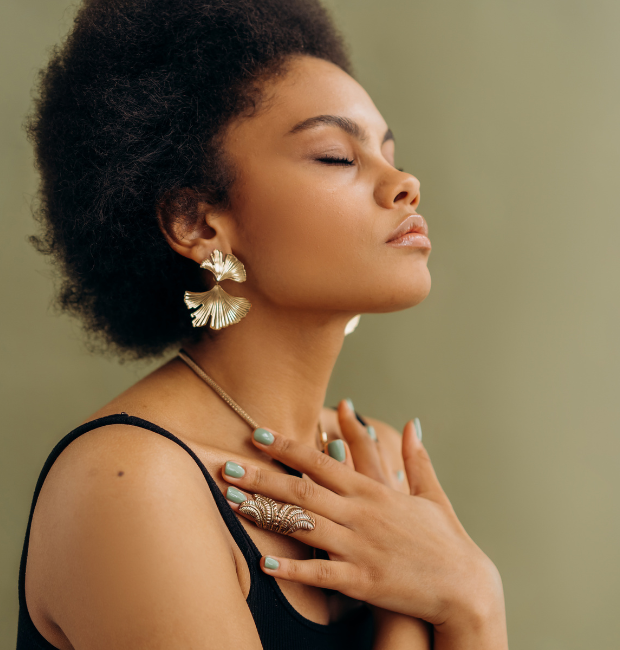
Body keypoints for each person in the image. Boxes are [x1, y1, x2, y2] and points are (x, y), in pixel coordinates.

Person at [17, 0, 508, 648]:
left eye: (390, 152)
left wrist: (472, 598)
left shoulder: (374, 460)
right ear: (197, 223)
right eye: (336, 156)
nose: (404, 183)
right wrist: (439, 604)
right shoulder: (133, 485)